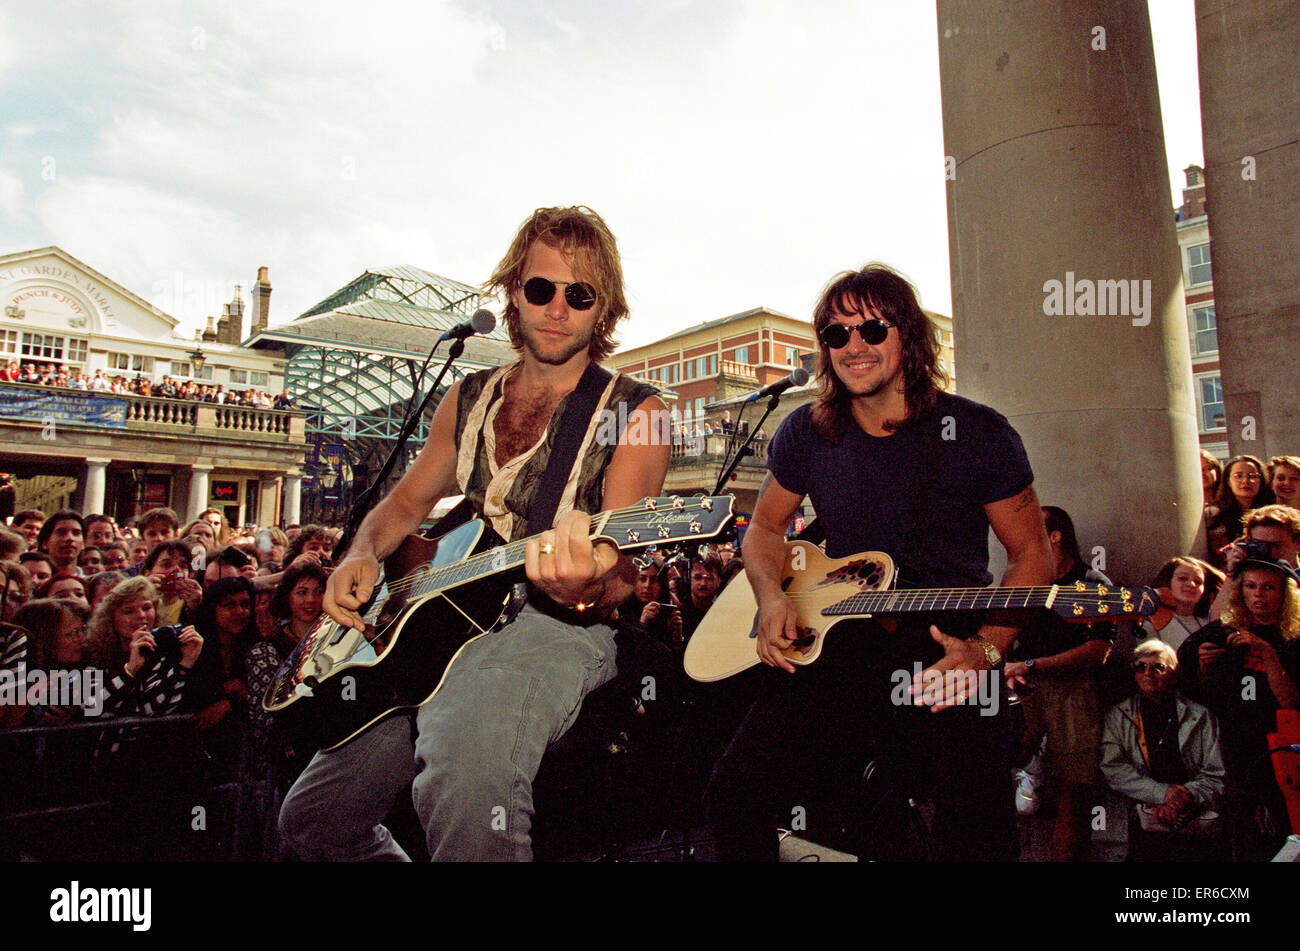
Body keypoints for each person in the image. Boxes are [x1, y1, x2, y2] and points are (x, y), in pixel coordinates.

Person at [279, 205, 669, 862]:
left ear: (602, 311)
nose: (556, 308)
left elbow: (618, 568)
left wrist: (584, 580)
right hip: (440, 622)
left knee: (463, 779)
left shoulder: (639, 412)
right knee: (315, 817)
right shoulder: (467, 398)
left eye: (580, 295)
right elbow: (404, 504)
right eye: (540, 288)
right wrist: (361, 552)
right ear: (512, 293)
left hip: (557, 626)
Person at [707, 263, 1054, 862]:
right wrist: (770, 596)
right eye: (836, 335)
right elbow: (764, 527)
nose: (854, 346)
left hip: (949, 643)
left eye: (872, 328)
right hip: (842, 637)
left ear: (910, 338)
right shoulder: (807, 431)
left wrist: (988, 650)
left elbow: (1033, 557)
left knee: (976, 831)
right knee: (735, 791)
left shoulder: (976, 432)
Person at [1002, 505, 1115, 862]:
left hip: (1074, 696)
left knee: (1072, 798)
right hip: (1020, 692)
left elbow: (1098, 651)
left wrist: (1033, 664)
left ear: (1055, 536)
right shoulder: (1024, 579)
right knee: (1007, 779)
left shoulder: (1092, 583)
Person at [1177, 558, 1300, 860]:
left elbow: (1291, 702)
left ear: (1284, 594)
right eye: (1251, 586)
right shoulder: (1224, 630)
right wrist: (1203, 666)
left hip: (1280, 748)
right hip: (1233, 748)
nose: (1259, 595)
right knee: (1242, 836)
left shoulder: (1293, 640)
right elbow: (1193, 685)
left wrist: (1267, 654)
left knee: (1285, 834)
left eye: (1269, 587)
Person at [1100, 640, 1225, 861]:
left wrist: (1183, 798)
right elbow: (1113, 769)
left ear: (1174, 674)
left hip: (1194, 814)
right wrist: (1162, 794)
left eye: (1158, 667)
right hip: (1140, 814)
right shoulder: (1118, 716)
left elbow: (1216, 774)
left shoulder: (1201, 716)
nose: (1148, 673)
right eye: (1141, 667)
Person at [1205, 455, 1273, 569]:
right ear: (1228, 480)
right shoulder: (1212, 515)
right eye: (1238, 476)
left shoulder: (1272, 515)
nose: (1245, 481)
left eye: (1252, 476)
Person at [1142, 556, 1222, 651]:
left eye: (1198, 582)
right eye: (1182, 578)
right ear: (1167, 582)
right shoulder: (1151, 624)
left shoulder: (1209, 621)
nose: (1191, 584)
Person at [36, 510, 84, 575]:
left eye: (76, 533)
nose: (70, 538)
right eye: (61, 532)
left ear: (83, 544)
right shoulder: (33, 581)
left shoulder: (92, 583)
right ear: (45, 543)